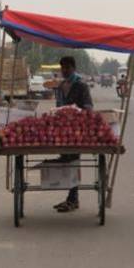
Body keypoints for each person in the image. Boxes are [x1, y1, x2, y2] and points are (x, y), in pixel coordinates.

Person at [53, 56, 93, 213]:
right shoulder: (61, 85)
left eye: (67, 68)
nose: (64, 71)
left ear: (73, 68)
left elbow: (89, 106)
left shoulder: (81, 86)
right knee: (65, 161)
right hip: (62, 131)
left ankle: (73, 199)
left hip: (76, 130)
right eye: (62, 68)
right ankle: (71, 198)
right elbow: (58, 107)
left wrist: (77, 112)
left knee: (73, 162)